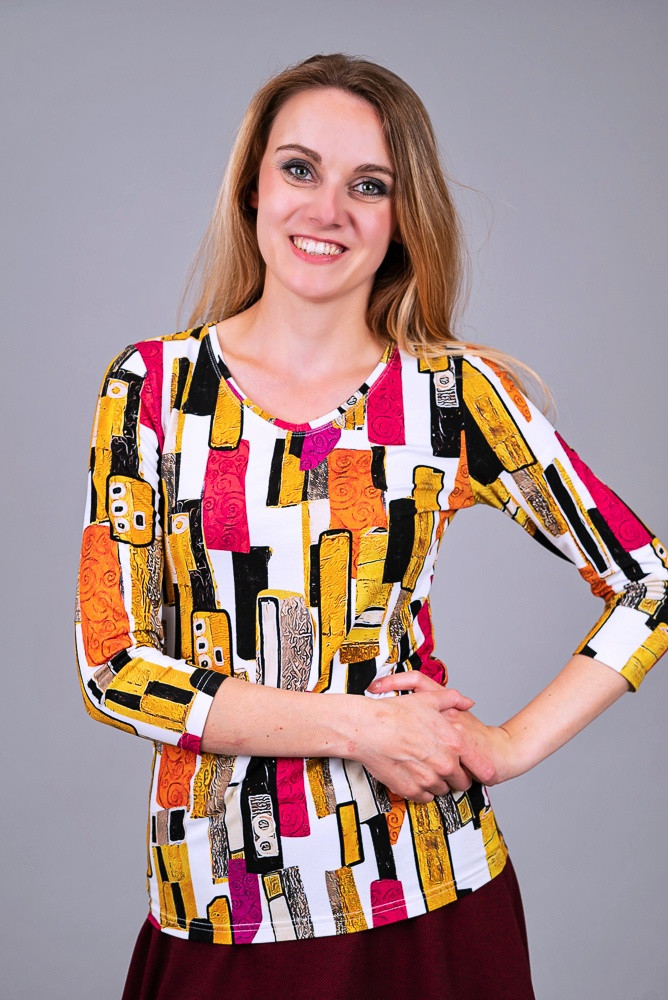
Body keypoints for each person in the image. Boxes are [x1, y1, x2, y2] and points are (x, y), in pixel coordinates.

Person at [74, 52, 668, 1000]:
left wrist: (506, 746)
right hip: (223, 902)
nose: (328, 210)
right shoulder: (151, 388)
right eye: (299, 169)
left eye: (369, 185)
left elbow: (651, 582)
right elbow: (115, 670)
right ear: (253, 187)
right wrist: (359, 727)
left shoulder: (453, 396)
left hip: (430, 895)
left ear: (400, 217)